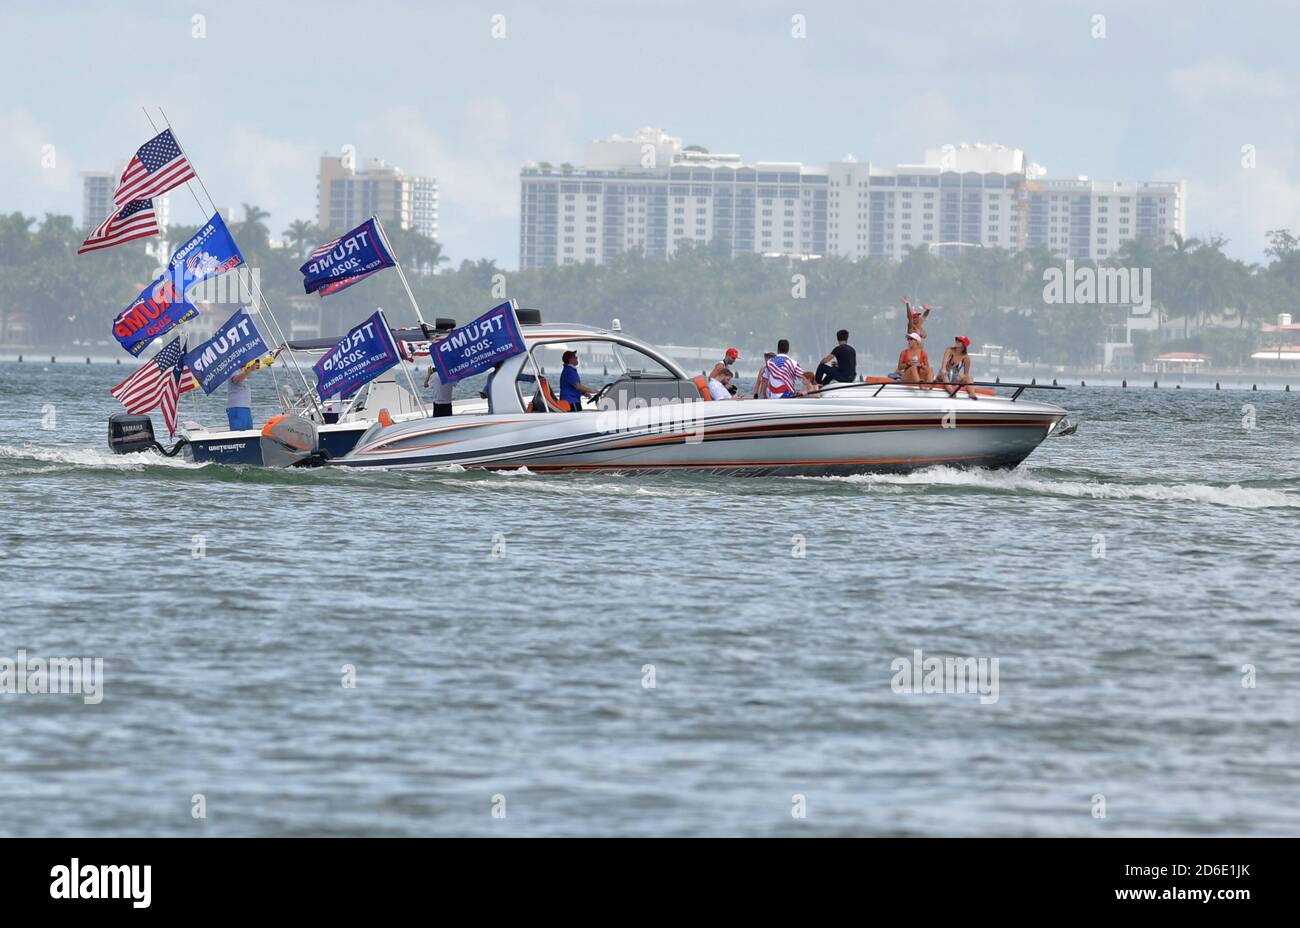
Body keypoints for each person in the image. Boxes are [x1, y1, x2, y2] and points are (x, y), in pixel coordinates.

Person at [937, 335, 977, 399]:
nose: (957, 341)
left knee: (969, 377)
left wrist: (965, 380)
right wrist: (944, 370)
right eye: (957, 340)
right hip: (943, 376)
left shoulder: (966, 358)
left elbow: (966, 374)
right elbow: (943, 367)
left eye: (960, 341)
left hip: (954, 377)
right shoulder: (949, 350)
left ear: (964, 345)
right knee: (944, 373)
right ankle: (952, 392)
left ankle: (972, 394)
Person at [226, 361, 257, 430]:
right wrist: (249, 370)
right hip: (237, 407)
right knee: (238, 433)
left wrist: (248, 370)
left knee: (249, 432)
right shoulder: (233, 369)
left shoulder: (241, 371)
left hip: (245, 407)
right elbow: (236, 380)